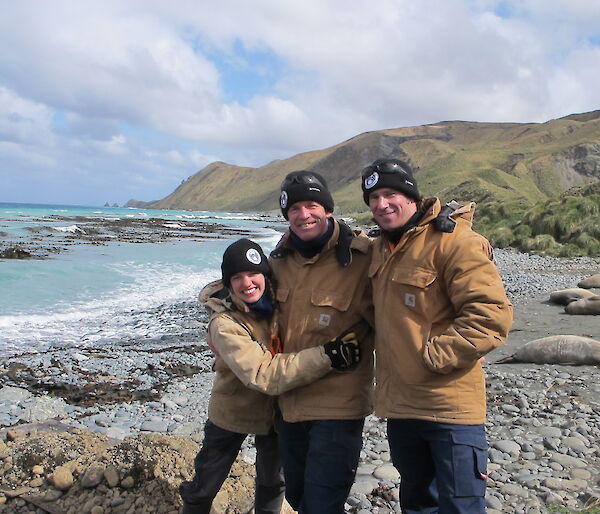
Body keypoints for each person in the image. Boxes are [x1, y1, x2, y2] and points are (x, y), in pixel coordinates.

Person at [361, 158, 513, 513]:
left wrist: (430, 358)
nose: (381, 204)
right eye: (373, 198)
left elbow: (490, 316)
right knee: (417, 503)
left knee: (462, 506)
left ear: (412, 196)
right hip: (402, 410)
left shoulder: (456, 242)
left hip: (450, 410)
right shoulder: (379, 248)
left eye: (390, 194)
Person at [179, 238, 361, 514]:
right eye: (237, 277)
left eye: (253, 274)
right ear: (227, 283)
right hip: (233, 411)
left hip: (278, 412)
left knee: (273, 483)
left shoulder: (281, 303)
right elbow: (262, 373)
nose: (247, 283)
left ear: (266, 275)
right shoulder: (224, 324)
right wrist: (328, 356)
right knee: (207, 481)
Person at [270, 171, 374, 513]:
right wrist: (217, 323)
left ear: (328, 209)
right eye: (295, 208)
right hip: (290, 404)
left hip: (338, 407)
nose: (304, 215)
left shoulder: (363, 258)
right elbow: (240, 292)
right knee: (298, 498)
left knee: (322, 505)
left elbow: (412, 288)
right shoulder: (279, 262)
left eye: (312, 205)